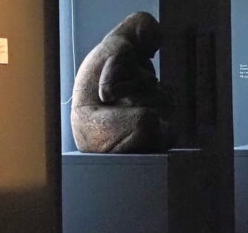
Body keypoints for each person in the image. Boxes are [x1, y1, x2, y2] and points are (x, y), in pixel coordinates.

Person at [71, 12, 175, 152]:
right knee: (146, 119)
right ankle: (116, 150)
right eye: (152, 47)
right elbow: (107, 92)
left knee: (166, 126)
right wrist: (141, 83)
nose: (152, 55)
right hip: (89, 121)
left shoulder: (125, 49)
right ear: (142, 35)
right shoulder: (121, 48)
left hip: (96, 116)